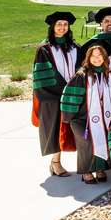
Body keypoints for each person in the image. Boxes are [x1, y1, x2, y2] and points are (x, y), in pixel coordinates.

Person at [60, 42, 111, 184]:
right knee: (87, 143)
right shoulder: (81, 76)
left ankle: (100, 169)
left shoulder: (109, 75)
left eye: (99, 55)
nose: (96, 59)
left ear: (104, 57)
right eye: (93, 56)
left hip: (104, 118)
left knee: (102, 139)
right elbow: (69, 97)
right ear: (88, 58)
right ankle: (86, 171)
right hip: (81, 119)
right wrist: (68, 118)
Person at [32, 11, 78, 177]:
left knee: (72, 129)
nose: (62, 27)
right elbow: (42, 75)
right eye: (59, 24)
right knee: (55, 129)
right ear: (52, 27)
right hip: (53, 96)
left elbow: (80, 70)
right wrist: (62, 91)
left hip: (72, 95)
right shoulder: (44, 49)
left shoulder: (75, 47)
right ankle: (55, 162)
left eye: (65, 25)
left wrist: (73, 91)